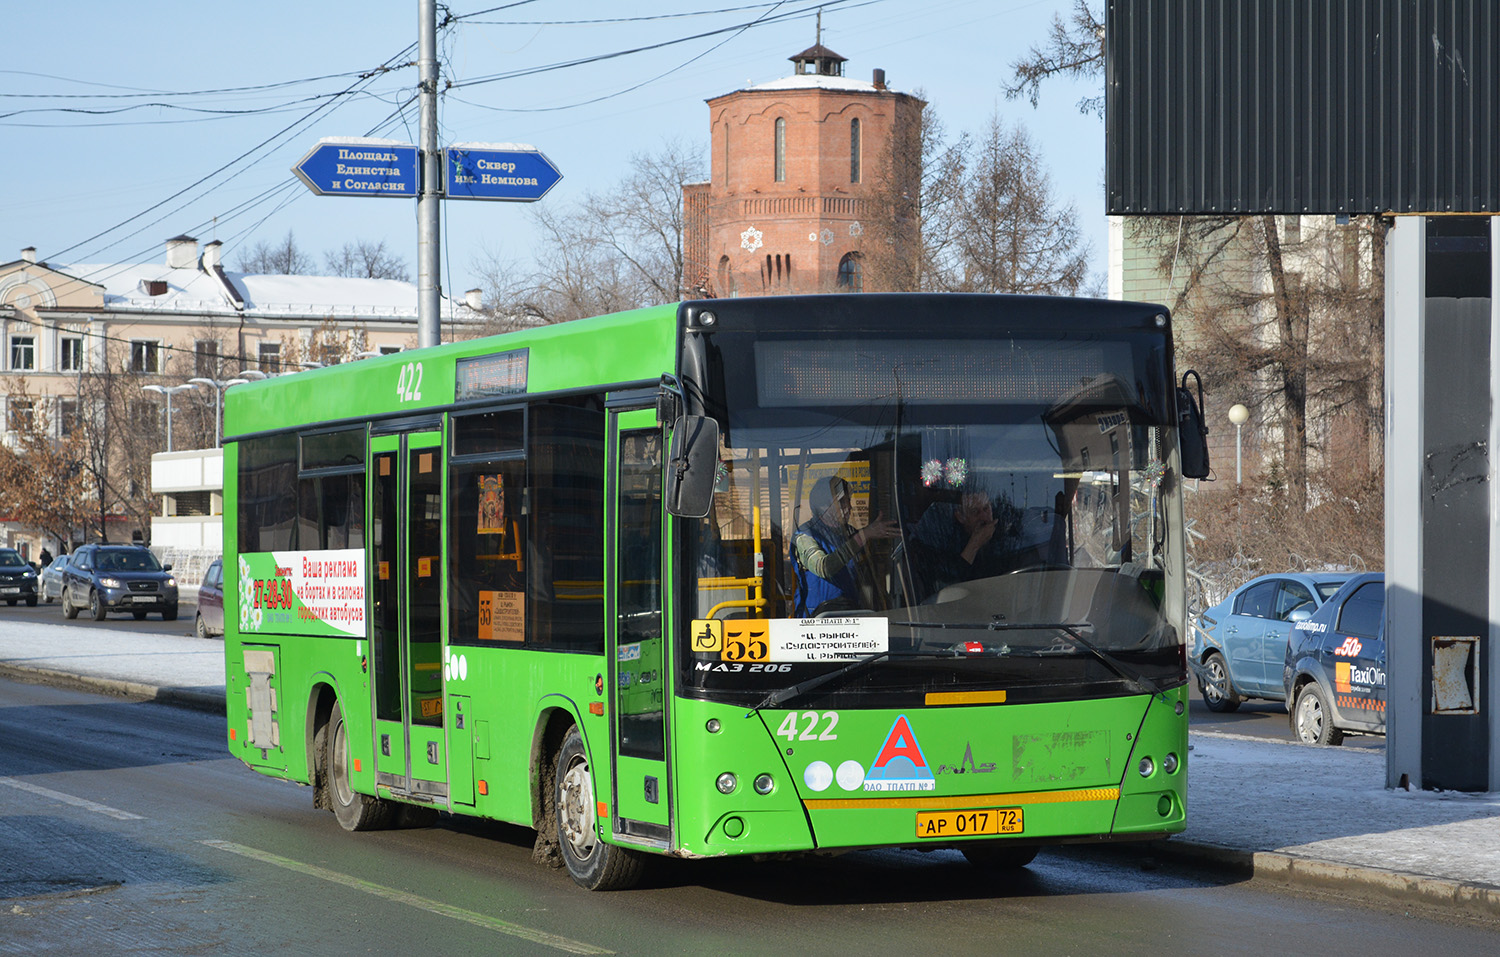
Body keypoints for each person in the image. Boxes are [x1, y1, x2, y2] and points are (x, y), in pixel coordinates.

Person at [789, 475, 899, 616]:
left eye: (849, 501)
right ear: (823, 506)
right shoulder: (805, 536)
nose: (849, 508)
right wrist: (864, 536)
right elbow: (824, 567)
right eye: (841, 502)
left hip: (850, 615)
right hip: (815, 621)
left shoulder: (850, 533)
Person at [911, 490, 1018, 593]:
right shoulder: (946, 543)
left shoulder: (1007, 537)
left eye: (986, 508)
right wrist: (974, 545)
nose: (984, 517)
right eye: (975, 512)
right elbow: (949, 585)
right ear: (960, 517)